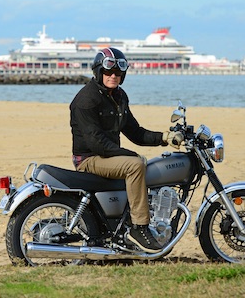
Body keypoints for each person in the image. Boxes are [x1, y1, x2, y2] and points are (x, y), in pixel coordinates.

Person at [69, 47, 183, 253]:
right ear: (98, 72)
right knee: (135, 165)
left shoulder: (119, 96)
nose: (113, 75)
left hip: (105, 155)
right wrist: (129, 156)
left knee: (139, 162)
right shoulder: (86, 99)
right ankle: (139, 228)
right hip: (89, 158)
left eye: (118, 73)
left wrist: (164, 138)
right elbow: (96, 143)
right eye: (108, 71)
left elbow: (135, 132)